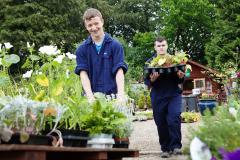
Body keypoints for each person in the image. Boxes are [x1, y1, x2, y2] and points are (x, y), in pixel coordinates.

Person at [74, 8, 128, 102]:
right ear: (86, 27)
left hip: (112, 97)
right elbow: (83, 73)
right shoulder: (81, 49)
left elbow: (119, 70)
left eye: (96, 23)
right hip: (92, 99)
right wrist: (90, 96)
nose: (94, 28)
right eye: (90, 25)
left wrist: (120, 94)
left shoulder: (115, 45)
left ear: (102, 22)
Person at [144, 37, 185, 158]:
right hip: (158, 96)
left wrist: (181, 76)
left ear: (167, 46)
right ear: (155, 47)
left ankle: (176, 147)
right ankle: (165, 148)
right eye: (158, 46)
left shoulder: (174, 60)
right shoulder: (150, 63)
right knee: (161, 123)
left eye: (163, 45)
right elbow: (147, 82)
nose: (161, 47)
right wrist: (152, 79)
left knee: (174, 118)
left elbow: (181, 79)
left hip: (173, 94)